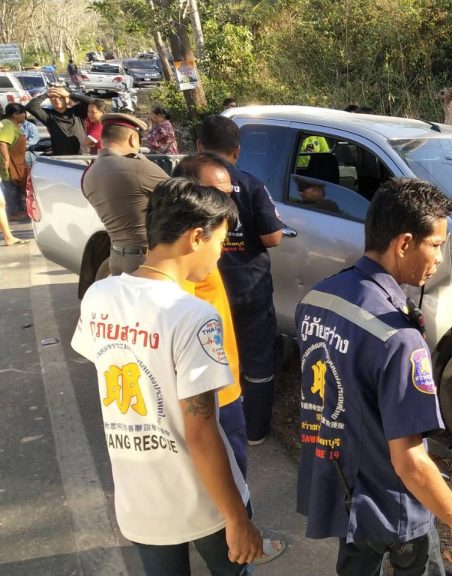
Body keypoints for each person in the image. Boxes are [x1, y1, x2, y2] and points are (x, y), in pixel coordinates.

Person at [71, 177, 263, 574]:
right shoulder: (193, 316)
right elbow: (202, 433)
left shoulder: (99, 295)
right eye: (220, 243)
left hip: (139, 500)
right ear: (196, 237)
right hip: (203, 501)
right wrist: (237, 519)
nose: (219, 256)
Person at [295, 178, 452, 576]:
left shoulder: (315, 300)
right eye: (436, 245)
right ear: (404, 243)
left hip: (343, 486)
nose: (439, 259)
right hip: (393, 503)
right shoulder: (398, 338)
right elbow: (410, 461)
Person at [172, 152, 287, 564]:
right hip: (215, 401)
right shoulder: (183, 285)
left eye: (230, 194)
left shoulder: (199, 261)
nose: (230, 210)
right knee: (227, 488)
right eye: (217, 195)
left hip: (227, 391)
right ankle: (238, 545)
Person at [196, 115, 284, 446]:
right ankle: (255, 431)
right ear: (236, 151)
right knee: (257, 359)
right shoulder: (251, 184)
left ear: (200, 146)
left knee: (208, 356)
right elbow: (273, 238)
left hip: (203, 288)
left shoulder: (188, 185)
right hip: (250, 287)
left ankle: (212, 428)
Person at [81, 113, 169, 275]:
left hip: (116, 257)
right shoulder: (136, 167)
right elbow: (183, 196)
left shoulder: (89, 173)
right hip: (144, 260)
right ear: (133, 139)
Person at [26, 85, 94, 155]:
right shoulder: (48, 115)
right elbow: (30, 106)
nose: (56, 99)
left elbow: (93, 102)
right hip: (61, 156)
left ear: (67, 99)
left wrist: (69, 94)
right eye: (53, 97)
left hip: (82, 154)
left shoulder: (77, 111)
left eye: (60, 97)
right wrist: (46, 94)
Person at [1, 103, 28, 220]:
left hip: (17, 162)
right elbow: (2, 142)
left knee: (16, 187)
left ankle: (17, 211)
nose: (25, 115)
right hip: (10, 163)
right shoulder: (8, 125)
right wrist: (6, 159)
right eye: (23, 113)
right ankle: (11, 212)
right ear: (16, 114)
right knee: (10, 187)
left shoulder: (14, 125)